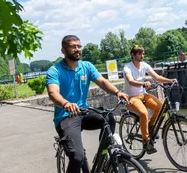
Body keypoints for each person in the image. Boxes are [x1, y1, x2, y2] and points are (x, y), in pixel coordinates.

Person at [46, 35, 128, 173]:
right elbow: (53, 93)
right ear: (63, 51)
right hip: (66, 116)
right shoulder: (55, 70)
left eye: (79, 46)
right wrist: (66, 104)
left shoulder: (86, 66)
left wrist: (117, 92)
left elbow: (102, 81)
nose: (77, 49)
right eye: (73, 46)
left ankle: (102, 156)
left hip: (84, 111)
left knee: (108, 118)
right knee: (77, 157)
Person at [123, 45, 177, 154]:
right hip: (131, 97)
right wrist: (143, 83)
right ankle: (146, 141)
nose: (142, 56)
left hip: (143, 95)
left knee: (161, 107)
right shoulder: (127, 67)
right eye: (139, 53)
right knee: (143, 113)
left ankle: (150, 126)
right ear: (132, 55)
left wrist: (170, 80)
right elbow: (130, 81)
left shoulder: (144, 65)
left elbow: (157, 77)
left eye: (143, 53)